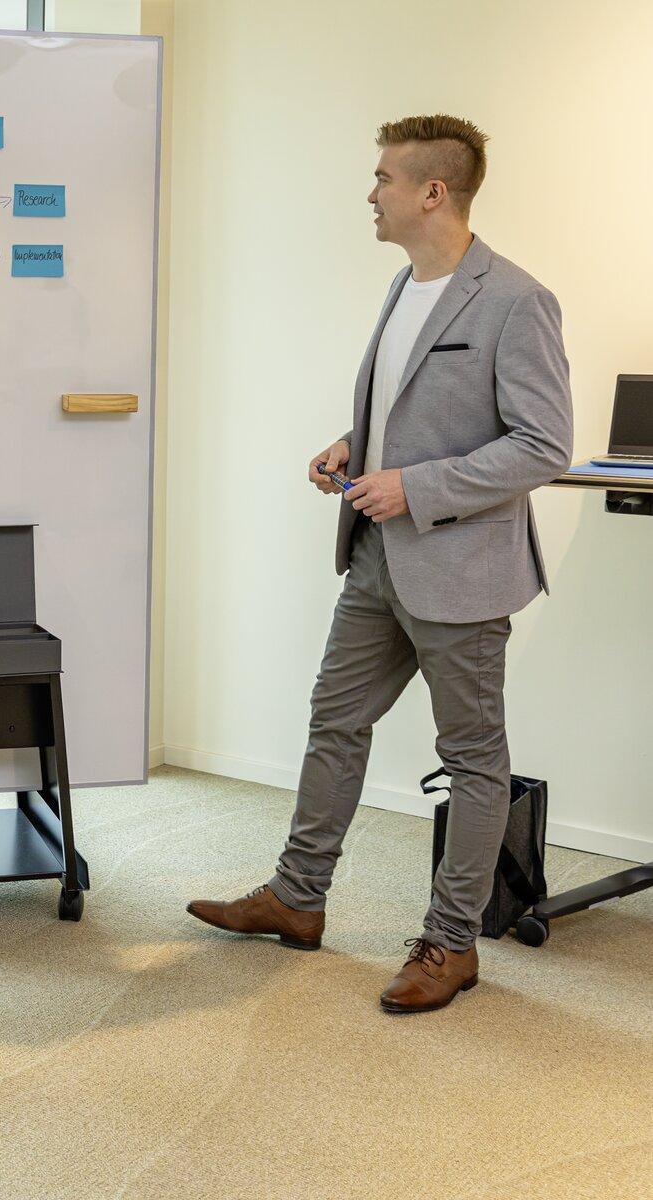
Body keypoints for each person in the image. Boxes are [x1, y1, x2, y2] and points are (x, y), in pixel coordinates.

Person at [186, 114, 573, 1013]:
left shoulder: (516, 300)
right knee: (334, 718)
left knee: (473, 759)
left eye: (383, 178)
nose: (371, 192)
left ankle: (451, 945)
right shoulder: (405, 286)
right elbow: (414, 410)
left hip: (462, 570)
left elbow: (543, 445)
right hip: (377, 561)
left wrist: (416, 486)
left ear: (433, 191)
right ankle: (297, 898)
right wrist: (353, 446)